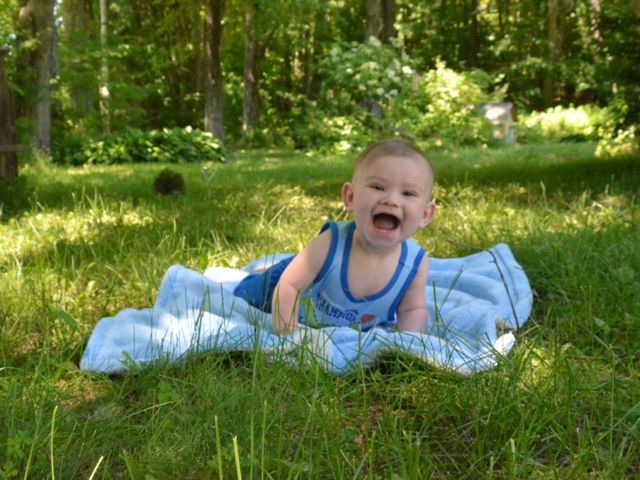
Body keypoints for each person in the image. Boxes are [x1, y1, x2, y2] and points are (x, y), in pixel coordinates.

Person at [234, 138, 436, 335]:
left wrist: (409, 343)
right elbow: (289, 286)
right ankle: (273, 270)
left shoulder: (414, 264)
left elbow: (412, 309)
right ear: (350, 197)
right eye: (377, 187)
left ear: (425, 215)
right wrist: (289, 333)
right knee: (247, 291)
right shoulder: (331, 242)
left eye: (408, 193)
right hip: (281, 286)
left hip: (323, 288)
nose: (391, 200)